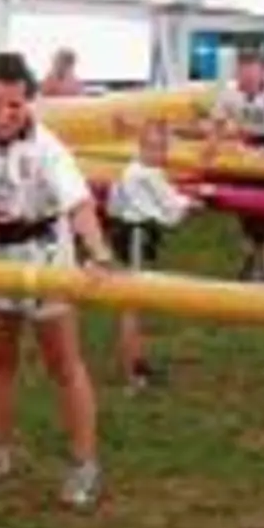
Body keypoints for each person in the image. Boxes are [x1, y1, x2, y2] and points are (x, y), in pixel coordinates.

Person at [0, 52, 114, 511]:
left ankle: (85, 463)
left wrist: (98, 253)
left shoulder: (48, 146)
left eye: (15, 106)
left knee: (63, 363)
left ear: (30, 102)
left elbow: (78, 203)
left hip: (45, 255)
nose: (3, 115)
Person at [106, 118, 200, 391]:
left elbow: (113, 205)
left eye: (163, 148)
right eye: (156, 148)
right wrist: (191, 205)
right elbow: (170, 210)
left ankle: (138, 361)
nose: (160, 154)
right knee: (132, 305)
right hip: (136, 236)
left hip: (124, 234)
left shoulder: (130, 170)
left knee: (133, 303)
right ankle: (133, 374)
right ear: (143, 147)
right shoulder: (147, 174)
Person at [202, 49, 264, 281]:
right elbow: (217, 123)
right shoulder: (230, 91)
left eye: (250, 76)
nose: (245, 82)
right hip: (246, 146)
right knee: (243, 202)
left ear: (263, 73)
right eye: (242, 76)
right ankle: (252, 254)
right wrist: (211, 146)